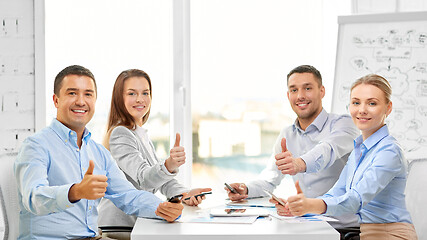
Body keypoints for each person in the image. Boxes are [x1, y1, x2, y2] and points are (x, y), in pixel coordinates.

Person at [14, 65, 183, 240]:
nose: (81, 101)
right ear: (56, 100)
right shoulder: (35, 146)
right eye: (72, 93)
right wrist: (75, 191)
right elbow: (33, 197)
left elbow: (128, 195)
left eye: (88, 94)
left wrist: (162, 208)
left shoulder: (98, 153)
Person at [276, 74, 418, 240]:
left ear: (388, 108)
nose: (362, 110)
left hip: (391, 234)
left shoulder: (389, 151)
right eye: (356, 102)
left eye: (372, 103)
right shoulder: (359, 150)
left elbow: (356, 199)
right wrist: (300, 207)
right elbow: (337, 193)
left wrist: (310, 205)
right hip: (365, 233)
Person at [225, 65, 360, 232]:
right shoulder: (287, 134)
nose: (300, 96)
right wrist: (245, 189)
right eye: (294, 90)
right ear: (288, 95)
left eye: (308, 88)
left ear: (322, 91)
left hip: (343, 229)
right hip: (307, 225)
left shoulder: (345, 124)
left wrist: (299, 164)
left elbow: (328, 150)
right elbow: (270, 179)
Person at [98, 69, 211, 237]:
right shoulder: (120, 134)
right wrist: (169, 164)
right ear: (119, 98)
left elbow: (161, 181)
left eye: (145, 92)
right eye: (131, 93)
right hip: (120, 227)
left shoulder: (140, 133)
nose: (140, 99)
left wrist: (185, 194)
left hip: (137, 224)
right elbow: (144, 179)